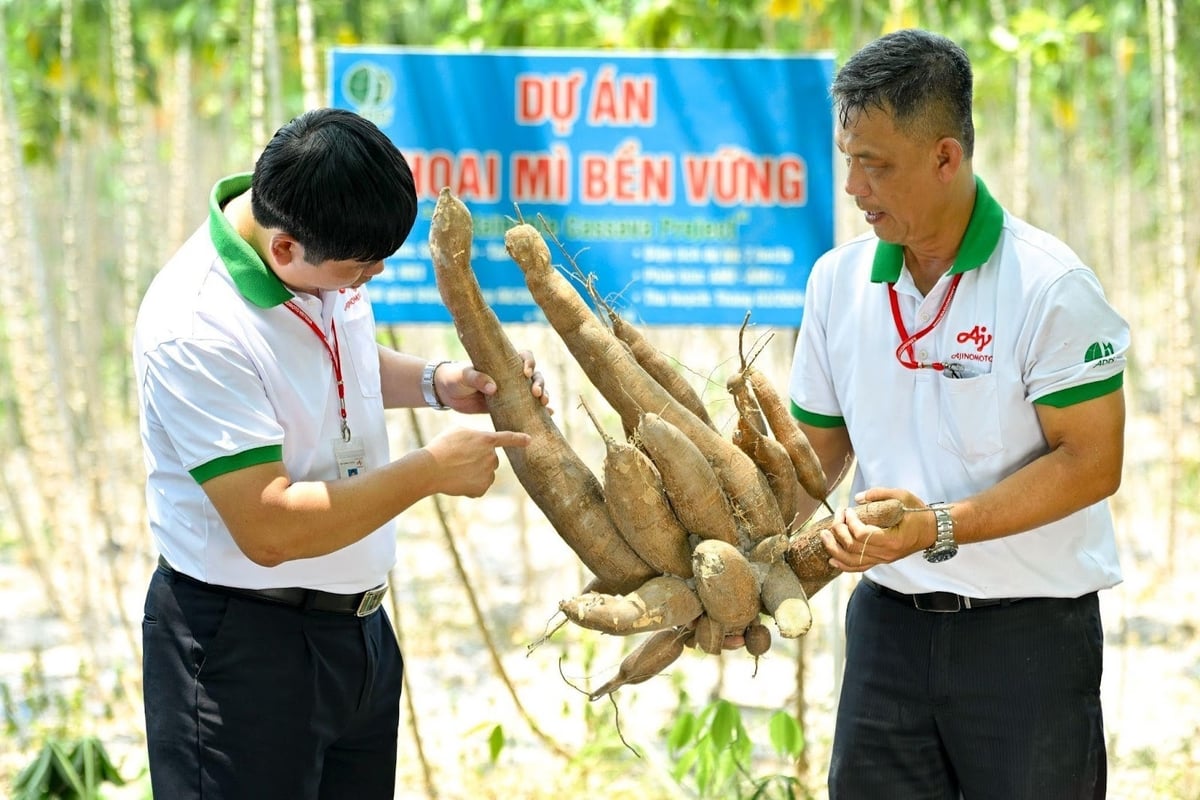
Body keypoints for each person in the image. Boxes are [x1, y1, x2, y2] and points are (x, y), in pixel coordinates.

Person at [133, 107, 549, 800]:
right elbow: (269, 528)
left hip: (356, 634)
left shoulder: (318, 247)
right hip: (245, 651)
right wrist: (428, 472)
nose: (372, 279)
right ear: (287, 248)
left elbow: (333, 359)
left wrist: (434, 384)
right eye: (361, 270)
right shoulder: (195, 328)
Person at [787, 29, 1129, 800]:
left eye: (875, 164)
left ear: (947, 157)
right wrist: (741, 552)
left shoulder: (1050, 286)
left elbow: (1091, 462)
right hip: (887, 630)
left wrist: (936, 525)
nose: (853, 187)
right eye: (848, 159)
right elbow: (815, 453)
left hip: (1029, 641)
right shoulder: (837, 283)